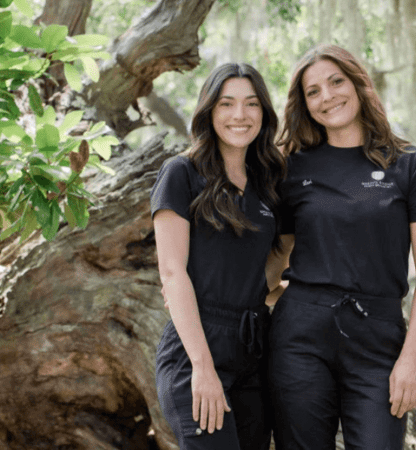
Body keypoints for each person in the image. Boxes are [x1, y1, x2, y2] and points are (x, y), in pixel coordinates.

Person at [266, 44, 416, 449]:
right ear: (305, 104)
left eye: (335, 82)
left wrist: (411, 357)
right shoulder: (292, 168)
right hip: (300, 336)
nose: (327, 96)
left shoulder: (409, 164)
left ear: (358, 84)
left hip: (378, 337)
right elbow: (277, 252)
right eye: (313, 92)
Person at [151, 62, 285, 450]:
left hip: (253, 351)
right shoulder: (181, 173)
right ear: (209, 111)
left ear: (264, 113)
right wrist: (202, 367)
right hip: (196, 351)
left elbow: (267, 269)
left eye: (251, 104)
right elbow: (173, 273)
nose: (239, 115)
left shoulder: (268, 185)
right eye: (226, 104)